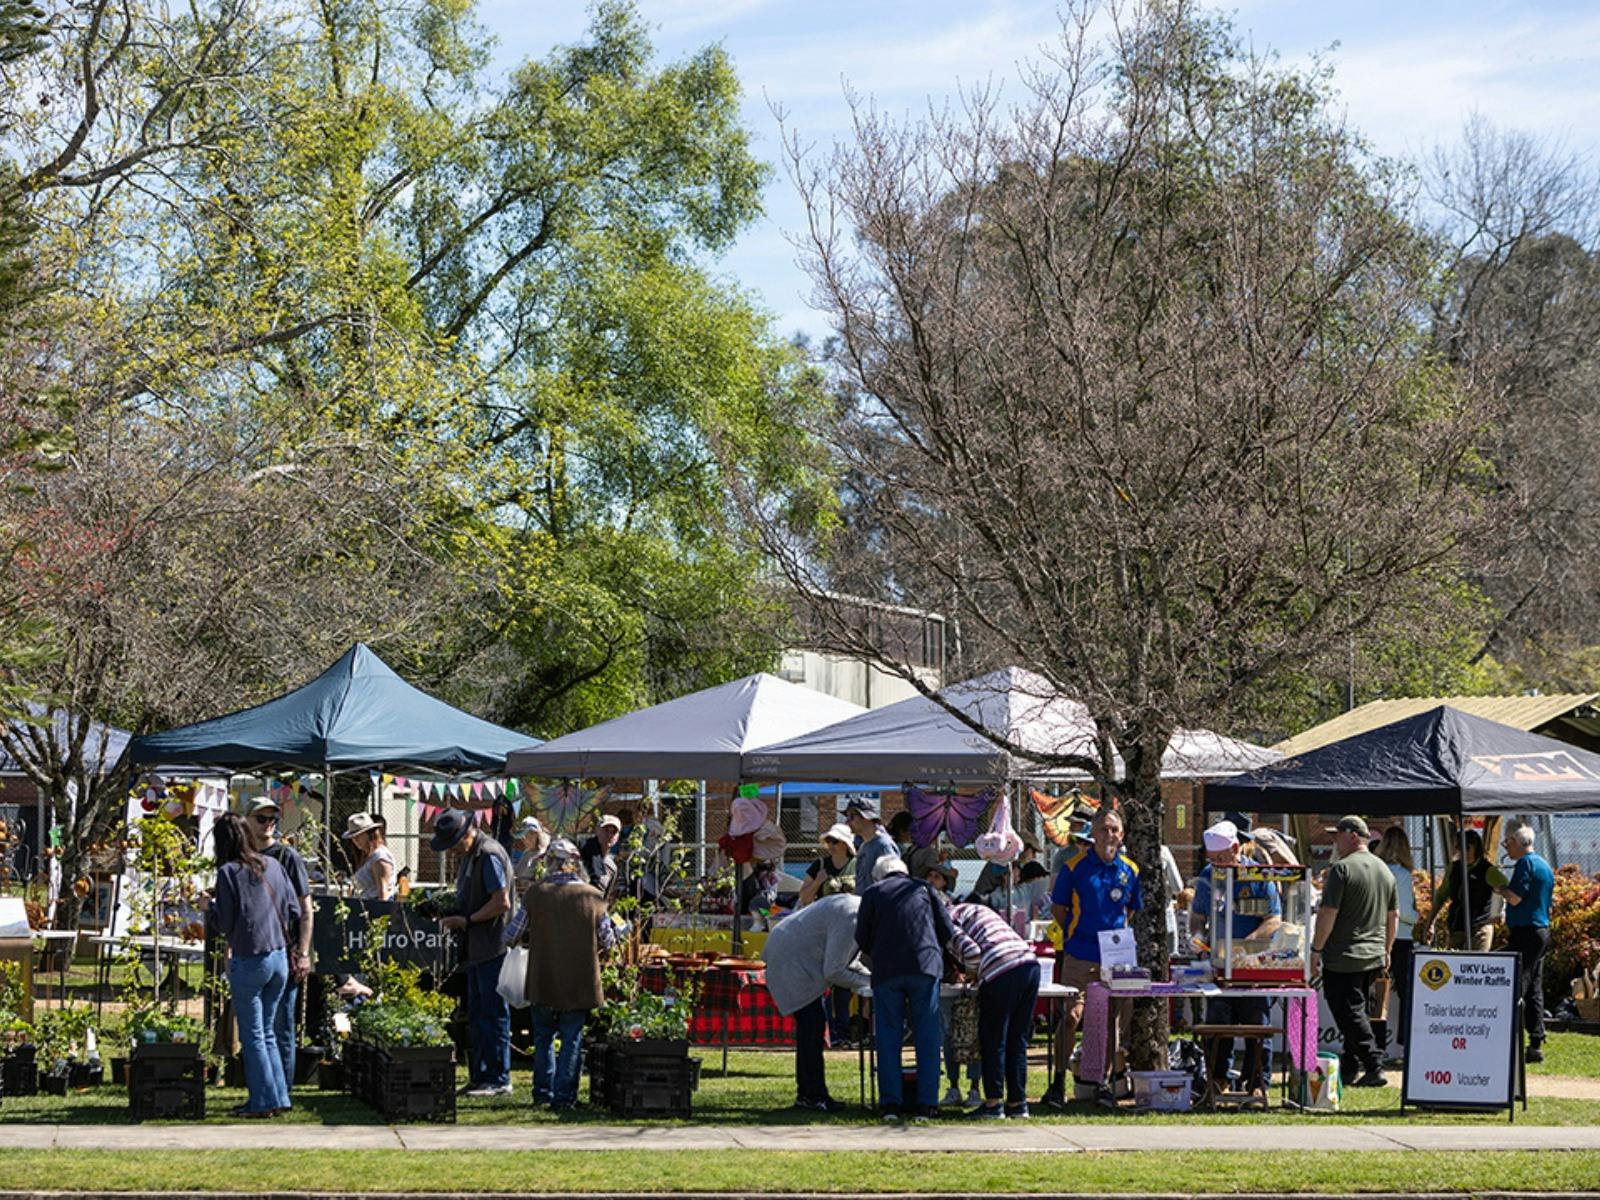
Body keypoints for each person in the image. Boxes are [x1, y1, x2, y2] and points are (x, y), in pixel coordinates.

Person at [1040, 806, 1142, 1109]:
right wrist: (1077, 932)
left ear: (1121, 835)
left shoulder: (1130, 870)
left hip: (1116, 956)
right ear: (1093, 834)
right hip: (1080, 954)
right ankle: (1058, 1082)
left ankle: (1103, 1083)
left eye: (1114, 830)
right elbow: (1058, 909)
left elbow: (1130, 910)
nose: (1109, 835)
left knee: (1109, 1022)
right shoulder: (1074, 867)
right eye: (1103, 830)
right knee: (1071, 1016)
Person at [512, 837, 614, 1108]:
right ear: (575, 864)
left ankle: (543, 1093)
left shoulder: (536, 893)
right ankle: (565, 1097)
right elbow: (609, 940)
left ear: (549, 863)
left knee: (543, 1036)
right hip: (579, 979)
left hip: (542, 976)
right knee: (572, 1037)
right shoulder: (592, 895)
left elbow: (512, 934)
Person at [854, 855, 958, 1123]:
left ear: (880, 876)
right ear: (903, 871)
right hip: (925, 965)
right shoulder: (923, 888)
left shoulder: (873, 892)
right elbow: (947, 930)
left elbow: (861, 937)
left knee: (888, 1036)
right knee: (927, 1036)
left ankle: (891, 1104)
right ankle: (927, 1104)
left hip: (887, 969)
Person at [211, 812, 298, 1117]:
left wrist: (206, 907)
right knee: (269, 1033)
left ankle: (262, 1102)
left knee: (253, 1036)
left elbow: (223, 923)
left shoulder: (227, 873)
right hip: (280, 958)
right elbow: (293, 907)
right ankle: (278, 1098)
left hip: (250, 958)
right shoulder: (273, 864)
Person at [1191, 819, 1281, 1107]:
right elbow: (1198, 916)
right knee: (1218, 1023)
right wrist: (1196, 938)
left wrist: (1247, 944)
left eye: (1221, 858)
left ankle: (1257, 1084)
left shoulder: (1257, 875)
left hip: (1253, 966)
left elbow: (1274, 919)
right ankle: (1217, 1079)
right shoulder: (1207, 876)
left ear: (1235, 848)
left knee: (1258, 1026)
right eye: (1212, 859)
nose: (1217, 864)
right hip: (1219, 968)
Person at [1311, 815, 1397, 1089]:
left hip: (1344, 955)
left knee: (1349, 1013)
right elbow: (1393, 915)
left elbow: (1327, 914)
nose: (1333, 841)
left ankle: (1373, 1064)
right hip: (1373, 955)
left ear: (1352, 835)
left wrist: (1316, 949)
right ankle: (1349, 1068)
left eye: (1337, 835)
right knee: (1357, 1011)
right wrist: (1387, 949)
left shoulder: (1341, 869)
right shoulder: (1384, 869)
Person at [432, 807, 514, 1097]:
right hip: (477, 950)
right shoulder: (472, 854)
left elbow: (501, 902)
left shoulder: (489, 855)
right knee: (478, 1016)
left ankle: (498, 1079)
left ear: (468, 834)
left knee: (493, 1016)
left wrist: (465, 920)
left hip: (493, 949)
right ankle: (481, 1077)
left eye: (454, 844)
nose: (452, 852)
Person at [762, 892, 869, 1112]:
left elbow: (849, 960)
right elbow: (834, 971)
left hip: (789, 950)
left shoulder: (856, 908)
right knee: (812, 1028)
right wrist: (872, 983)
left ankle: (810, 1094)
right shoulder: (853, 917)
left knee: (811, 1028)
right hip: (792, 961)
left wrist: (869, 978)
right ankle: (813, 1096)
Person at [949, 900, 1040, 1119]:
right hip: (1028, 964)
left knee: (993, 1039)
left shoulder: (947, 922)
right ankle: (1018, 1103)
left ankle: (993, 1103)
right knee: (1017, 1040)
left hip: (1001, 970)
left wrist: (971, 974)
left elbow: (971, 953)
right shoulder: (976, 910)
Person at [245, 797, 312, 1092]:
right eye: (262, 818)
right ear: (246, 820)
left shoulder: (287, 857)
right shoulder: (242, 856)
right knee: (256, 1028)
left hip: (286, 952)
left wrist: (304, 953)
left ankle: (281, 1090)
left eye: (274, 819)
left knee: (281, 1026)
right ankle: (265, 1090)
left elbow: (306, 909)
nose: (269, 824)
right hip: (252, 953)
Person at [1495, 822, 1555, 1063]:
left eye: (1507, 842)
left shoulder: (1525, 864)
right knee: (1534, 987)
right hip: (1541, 928)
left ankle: (1506, 1036)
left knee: (1519, 982)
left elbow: (1516, 898)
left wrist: (1500, 888)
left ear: (1518, 843)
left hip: (1526, 930)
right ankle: (1536, 1041)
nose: (1506, 847)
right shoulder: (1544, 865)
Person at [925, 859, 979, 1107]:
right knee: (948, 1033)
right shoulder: (924, 907)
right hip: (945, 978)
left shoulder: (954, 908)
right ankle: (954, 1086)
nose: (931, 881)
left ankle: (975, 1087)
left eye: (937, 877)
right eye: (929, 876)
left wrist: (965, 971)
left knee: (973, 1032)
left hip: (966, 977)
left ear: (946, 882)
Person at [1373, 825, 1417, 1062]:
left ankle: (1378, 1046)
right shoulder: (1403, 874)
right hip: (1401, 937)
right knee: (1407, 995)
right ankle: (1406, 1044)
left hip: (1378, 937)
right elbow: (1406, 912)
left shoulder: (1377, 870)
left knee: (1380, 996)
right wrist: (1418, 917)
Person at [1417, 829, 1500, 950]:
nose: (1462, 852)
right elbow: (1440, 897)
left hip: (1480, 928)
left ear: (1476, 848)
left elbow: (1506, 890)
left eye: (1466, 848)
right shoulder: (1453, 868)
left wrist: (1498, 910)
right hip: (1457, 927)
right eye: (1459, 848)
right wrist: (1430, 924)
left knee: (1475, 963)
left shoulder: (1488, 870)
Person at [844, 796, 898, 897]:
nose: (847, 822)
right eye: (847, 817)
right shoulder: (864, 845)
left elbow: (893, 883)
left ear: (866, 817)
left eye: (851, 816)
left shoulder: (883, 845)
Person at [798, 823, 856, 907]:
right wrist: (817, 882)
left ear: (845, 844)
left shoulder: (858, 864)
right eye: (828, 840)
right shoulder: (820, 864)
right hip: (825, 917)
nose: (830, 845)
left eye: (835, 841)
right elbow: (804, 899)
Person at [342, 812, 395, 901]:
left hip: (374, 909)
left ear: (369, 833)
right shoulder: (369, 856)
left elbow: (383, 893)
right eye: (353, 837)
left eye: (359, 836)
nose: (355, 840)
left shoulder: (380, 856)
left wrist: (381, 913)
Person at [580, 814, 622, 899]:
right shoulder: (581, 853)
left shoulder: (612, 867)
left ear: (617, 837)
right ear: (597, 830)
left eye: (613, 832)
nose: (609, 835)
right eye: (606, 830)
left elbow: (605, 897)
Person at [512, 816, 552, 889]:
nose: (523, 839)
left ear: (536, 835)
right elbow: (517, 873)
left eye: (526, 835)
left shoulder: (544, 855)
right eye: (522, 836)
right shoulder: (527, 853)